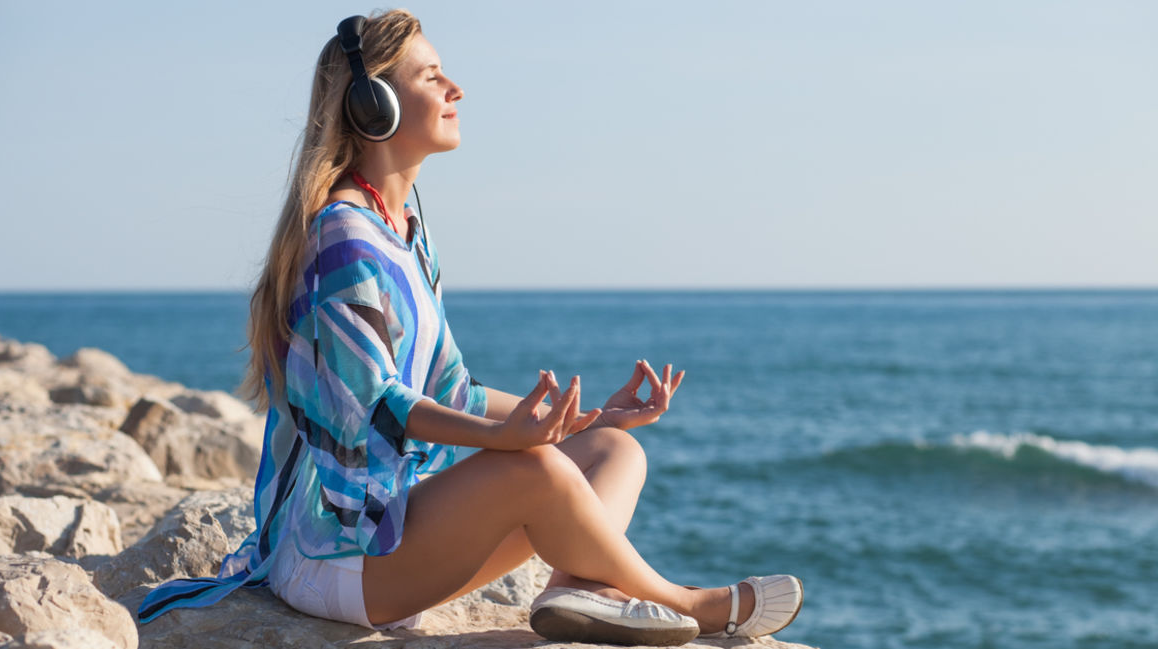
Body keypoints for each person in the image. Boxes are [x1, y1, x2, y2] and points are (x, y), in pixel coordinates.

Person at [138, 10, 803, 646]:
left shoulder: (405, 235)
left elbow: (452, 389)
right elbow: (379, 406)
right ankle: (691, 603)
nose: (456, 88)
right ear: (375, 107)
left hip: (389, 535)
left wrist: (588, 417)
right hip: (332, 554)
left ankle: (574, 589)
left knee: (614, 452)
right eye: (431, 76)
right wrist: (505, 440)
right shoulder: (343, 237)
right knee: (534, 469)